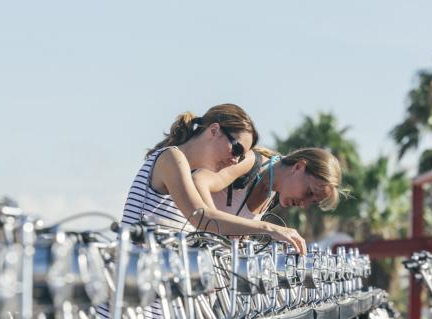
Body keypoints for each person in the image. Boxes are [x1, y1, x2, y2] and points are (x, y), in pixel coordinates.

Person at [120, 103, 307, 252]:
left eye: (241, 156)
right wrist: (271, 229)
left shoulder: (183, 168)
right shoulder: (171, 157)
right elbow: (201, 218)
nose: (235, 160)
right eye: (236, 149)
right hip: (137, 293)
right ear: (214, 131)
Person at [192, 146, 343, 221]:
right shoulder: (250, 163)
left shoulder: (273, 196)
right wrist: (215, 225)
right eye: (309, 193)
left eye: (313, 201)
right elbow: (199, 180)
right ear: (298, 167)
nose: (304, 204)